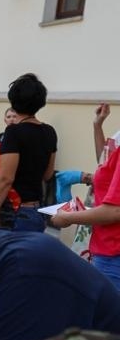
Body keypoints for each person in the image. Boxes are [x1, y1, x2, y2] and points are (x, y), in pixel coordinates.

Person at [50, 103, 120, 292]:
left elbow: (115, 211)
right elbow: (105, 165)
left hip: (113, 251)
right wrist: (97, 126)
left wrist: (67, 217)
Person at [0, 73, 57, 232]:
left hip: (15, 211)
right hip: (37, 211)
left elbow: (5, 179)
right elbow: (48, 174)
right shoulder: (49, 132)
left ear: (14, 100)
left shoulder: (13, 132)